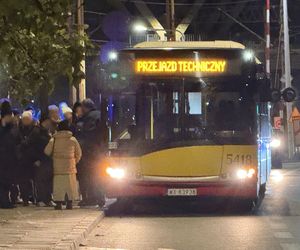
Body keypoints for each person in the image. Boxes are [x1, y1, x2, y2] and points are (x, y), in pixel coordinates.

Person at [44, 120, 82, 210]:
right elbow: (79, 153)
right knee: (70, 185)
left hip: (57, 167)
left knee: (58, 185)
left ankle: (58, 203)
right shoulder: (73, 139)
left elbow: (46, 151)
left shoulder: (54, 139)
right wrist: (74, 161)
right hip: (70, 167)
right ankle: (69, 203)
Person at [77, 98, 107, 207]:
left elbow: (88, 135)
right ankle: (100, 197)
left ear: (85, 107)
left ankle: (93, 198)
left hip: (90, 152)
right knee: (98, 175)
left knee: (90, 176)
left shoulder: (88, 118)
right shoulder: (99, 114)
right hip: (100, 150)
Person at [35, 105, 59, 207]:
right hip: (41, 159)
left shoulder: (54, 128)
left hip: (50, 159)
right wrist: (36, 159)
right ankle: (41, 199)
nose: (56, 115)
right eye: (54, 113)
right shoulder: (38, 131)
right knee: (41, 179)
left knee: (49, 180)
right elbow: (33, 146)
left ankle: (48, 198)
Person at [0, 101, 18, 208]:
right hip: (5, 157)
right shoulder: (6, 127)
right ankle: (4, 201)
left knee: (6, 181)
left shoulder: (10, 126)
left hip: (8, 157)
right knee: (4, 181)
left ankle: (5, 200)